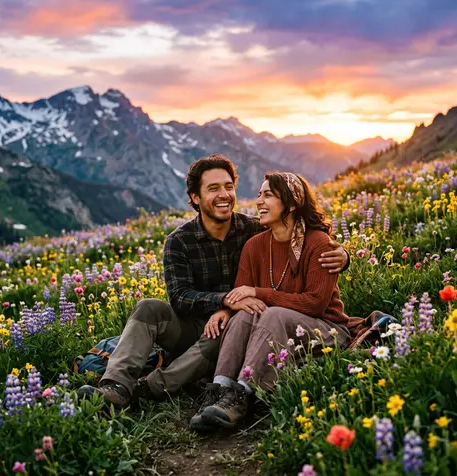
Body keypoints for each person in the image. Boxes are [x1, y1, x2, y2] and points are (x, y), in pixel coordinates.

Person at [77, 155, 349, 409]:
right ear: (196, 198)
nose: (224, 195)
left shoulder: (253, 230)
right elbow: (180, 298)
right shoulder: (179, 241)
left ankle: (147, 389)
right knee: (149, 307)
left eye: (229, 187)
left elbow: (296, 232)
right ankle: (115, 385)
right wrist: (223, 301)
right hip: (197, 322)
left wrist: (343, 255)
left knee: (220, 332)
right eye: (213, 188)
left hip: (237, 327)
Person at [191, 171, 351, 431]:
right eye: (258, 195)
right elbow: (241, 295)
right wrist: (227, 306)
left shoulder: (318, 243)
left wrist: (260, 293)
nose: (259, 202)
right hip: (278, 327)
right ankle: (220, 389)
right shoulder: (254, 246)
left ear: (291, 203)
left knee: (273, 313)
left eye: (268, 195)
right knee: (243, 314)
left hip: (326, 329)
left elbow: (315, 304)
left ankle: (242, 394)